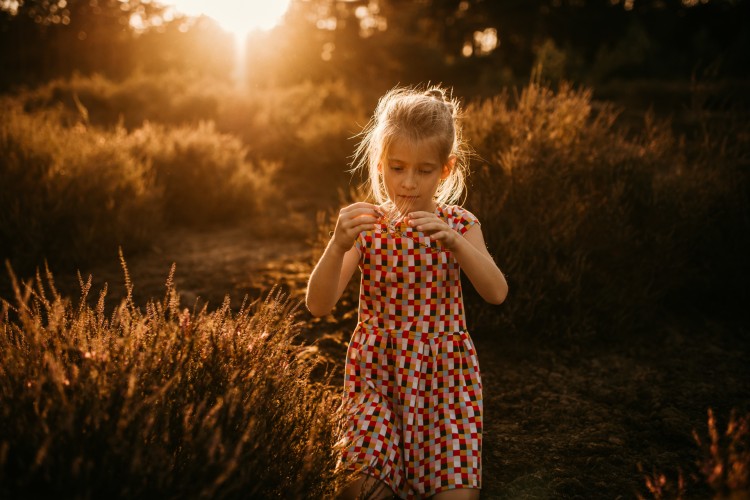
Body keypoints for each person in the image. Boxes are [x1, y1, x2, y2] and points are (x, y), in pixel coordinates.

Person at [306, 85, 508, 500]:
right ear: (380, 164)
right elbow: (318, 305)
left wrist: (455, 242)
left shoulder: (461, 223)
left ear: (446, 170)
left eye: (425, 170)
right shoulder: (367, 226)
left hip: (446, 382)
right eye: (397, 168)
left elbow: (497, 293)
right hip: (377, 379)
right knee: (360, 493)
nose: (410, 183)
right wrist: (337, 244)